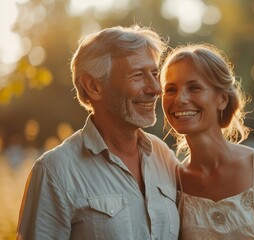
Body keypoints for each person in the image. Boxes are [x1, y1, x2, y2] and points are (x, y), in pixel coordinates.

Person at [17, 25, 180, 240]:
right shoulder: (55, 172)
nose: (155, 89)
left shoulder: (164, 157)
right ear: (93, 86)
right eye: (138, 75)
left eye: (154, 73)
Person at [160, 43, 254, 239]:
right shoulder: (172, 181)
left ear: (222, 99)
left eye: (194, 87)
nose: (180, 99)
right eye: (170, 90)